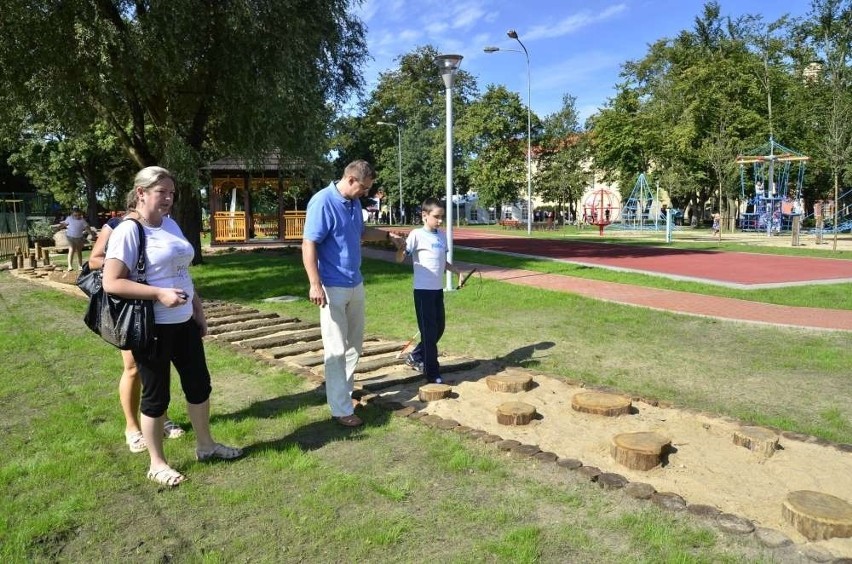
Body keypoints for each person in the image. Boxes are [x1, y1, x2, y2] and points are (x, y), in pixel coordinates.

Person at [103, 166, 242, 487]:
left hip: (185, 324)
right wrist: (158, 293)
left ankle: (206, 446)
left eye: (171, 193)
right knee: (156, 397)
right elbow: (111, 282)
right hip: (152, 327)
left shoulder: (171, 224)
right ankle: (157, 464)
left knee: (199, 385)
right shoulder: (128, 230)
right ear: (141, 193)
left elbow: (182, 272)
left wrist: (198, 310)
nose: (168, 199)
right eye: (161, 192)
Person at [301, 160, 404, 427]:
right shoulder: (322, 202)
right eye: (364, 188)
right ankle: (340, 409)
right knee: (336, 349)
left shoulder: (354, 203)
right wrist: (314, 284)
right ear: (350, 179)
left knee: (354, 348)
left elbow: (360, 232)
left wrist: (387, 235)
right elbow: (309, 243)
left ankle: (344, 396)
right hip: (331, 286)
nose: (366, 193)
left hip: (354, 282)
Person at [88, 191, 184, 454]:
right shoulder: (118, 225)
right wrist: (124, 265)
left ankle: (160, 418)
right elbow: (94, 259)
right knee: (132, 367)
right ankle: (132, 427)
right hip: (131, 308)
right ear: (138, 198)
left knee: (159, 367)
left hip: (161, 310)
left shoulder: (164, 223)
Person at [396, 198, 460, 384]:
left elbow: (441, 262)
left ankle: (416, 355)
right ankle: (432, 373)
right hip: (423, 291)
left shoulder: (441, 236)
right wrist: (400, 249)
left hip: (437, 290)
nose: (440, 221)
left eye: (442, 217)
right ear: (424, 216)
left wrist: (456, 271)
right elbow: (401, 258)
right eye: (436, 217)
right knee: (429, 332)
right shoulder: (416, 235)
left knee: (439, 328)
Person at [55, 206, 94, 271]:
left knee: (79, 251)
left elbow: (87, 227)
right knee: (72, 249)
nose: (77, 216)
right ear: (72, 214)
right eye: (75, 215)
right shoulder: (69, 218)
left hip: (79, 237)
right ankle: (70, 266)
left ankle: (80, 265)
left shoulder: (82, 220)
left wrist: (91, 234)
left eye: (79, 215)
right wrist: (58, 228)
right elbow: (64, 224)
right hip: (70, 237)